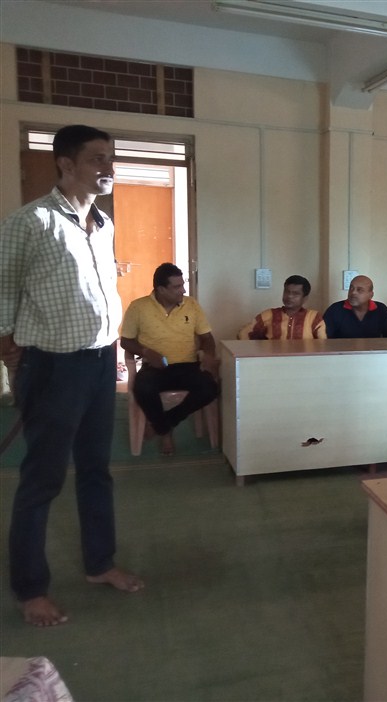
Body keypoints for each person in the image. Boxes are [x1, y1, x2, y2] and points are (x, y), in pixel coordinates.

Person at [0, 124, 144, 627]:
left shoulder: (102, 224)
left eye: (110, 158)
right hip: (52, 366)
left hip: (101, 361)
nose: (108, 168)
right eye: (97, 159)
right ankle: (30, 589)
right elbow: (3, 289)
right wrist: (8, 350)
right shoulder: (31, 221)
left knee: (96, 469)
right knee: (42, 478)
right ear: (65, 164)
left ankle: (99, 563)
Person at [121, 263, 219, 456]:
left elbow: (207, 338)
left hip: (188, 366)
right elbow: (126, 341)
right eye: (177, 287)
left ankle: (163, 425)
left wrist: (208, 355)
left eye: (183, 285)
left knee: (210, 388)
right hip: (155, 367)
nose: (183, 290)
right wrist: (146, 352)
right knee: (143, 388)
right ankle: (165, 431)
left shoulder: (191, 305)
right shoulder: (138, 307)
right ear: (161, 289)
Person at [237, 275, 326, 340]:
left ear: (305, 298)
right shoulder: (268, 315)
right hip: (273, 360)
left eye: (295, 294)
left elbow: (323, 344)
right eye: (287, 291)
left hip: (305, 360)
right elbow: (243, 334)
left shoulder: (314, 318)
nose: (289, 296)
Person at [323, 275, 387, 339]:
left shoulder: (381, 310)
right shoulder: (335, 310)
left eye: (359, 290)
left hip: (373, 351)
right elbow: (324, 340)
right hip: (341, 351)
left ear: (370, 295)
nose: (353, 292)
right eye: (351, 288)